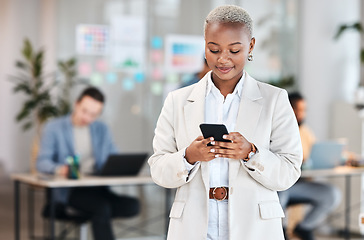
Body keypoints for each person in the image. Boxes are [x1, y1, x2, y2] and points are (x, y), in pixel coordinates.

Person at [148, 5, 302, 240]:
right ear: (205, 45)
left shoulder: (275, 100)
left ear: (250, 46)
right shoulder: (177, 101)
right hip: (193, 227)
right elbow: (158, 169)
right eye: (214, 49)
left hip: (254, 228)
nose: (223, 59)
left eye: (234, 50)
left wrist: (251, 153)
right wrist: (189, 156)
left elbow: (289, 171)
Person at [36, 87, 139, 240]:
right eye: (85, 111)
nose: (87, 117)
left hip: (98, 188)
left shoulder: (102, 129)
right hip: (70, 191)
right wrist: (60, 170)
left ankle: (101, 216)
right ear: (76, 104)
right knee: (101, 208)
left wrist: (115, 166)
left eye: (93, 114)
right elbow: (42, 162)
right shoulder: (54, 128)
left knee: (132, 205)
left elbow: (113, 156)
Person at [278, 92, 341, 240]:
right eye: (297, 109)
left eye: (303, 110)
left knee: (331, 194)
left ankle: (304, 228)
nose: (301, 114)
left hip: (301, 184)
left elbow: (316, 153)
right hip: (283, 185)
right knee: (280, 192)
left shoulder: (305, 131)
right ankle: (280, 232)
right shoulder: (278, 129)